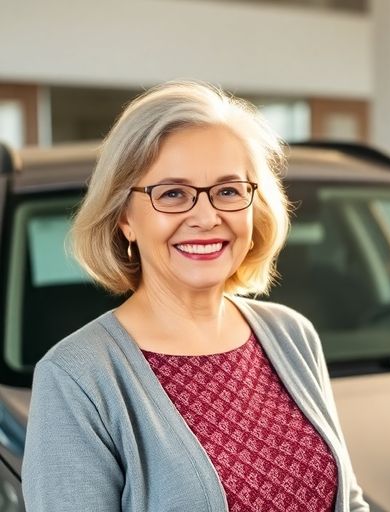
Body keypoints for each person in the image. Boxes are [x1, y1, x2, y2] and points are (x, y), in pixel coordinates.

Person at [22, 81, 369, 512]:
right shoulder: (75, 378)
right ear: (125, 217)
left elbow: (349, 502)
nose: (206, 217)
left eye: (228, 191)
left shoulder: (292, 334)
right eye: (173, 194)